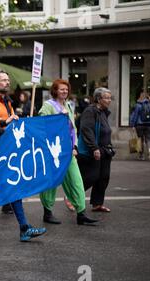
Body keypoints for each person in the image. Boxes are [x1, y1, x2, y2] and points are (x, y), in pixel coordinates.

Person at [0, 69, 47, 242]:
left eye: (8, 80)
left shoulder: (6, 102)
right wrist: (3, 121)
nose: (8, 82)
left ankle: (24, 228)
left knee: (14, 188)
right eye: (3, 80)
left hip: (5, 154)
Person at [38, 79, 98, 226]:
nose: (64, 91)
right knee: (51, 183)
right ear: (55, 91)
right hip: (53, 151)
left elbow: (73, 129)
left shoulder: (69, 105)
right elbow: (42, 125)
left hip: (69, 151)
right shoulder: (48, 106)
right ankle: (47, 212)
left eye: (66, 89)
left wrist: (75, 146)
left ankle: (81, 213)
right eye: (61, 89)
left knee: (76, 180)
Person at [130, 88, 150, 160]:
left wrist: (132, 125)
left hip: (140, 125)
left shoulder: (138, 105)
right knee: (148, 140)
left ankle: (141, 156)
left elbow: (135, 116)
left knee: (140, 140)